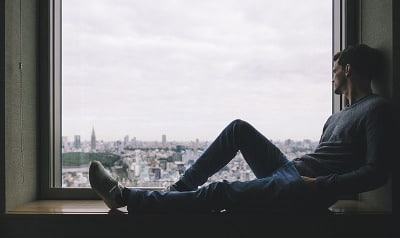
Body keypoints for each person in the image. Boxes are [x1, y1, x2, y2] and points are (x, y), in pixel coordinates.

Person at [89, 44, 392, 214]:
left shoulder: (375, 108)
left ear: (348, 69)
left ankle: (125, 197)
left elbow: (377, 172)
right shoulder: (335, 117)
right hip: (293, 173)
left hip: (305, 188)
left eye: (335, 70)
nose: (332, 77)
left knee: (220, 191)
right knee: (238, 129)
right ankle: (178, 189)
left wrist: (319, 185)